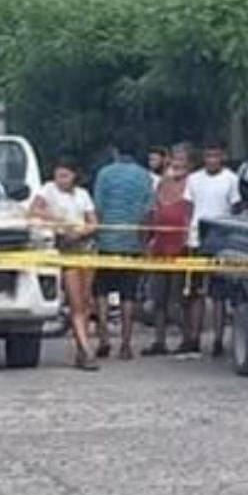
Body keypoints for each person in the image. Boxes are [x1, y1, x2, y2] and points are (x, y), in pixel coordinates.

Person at [29, 156, 98, 370]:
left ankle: (81, 347)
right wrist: (58, 221)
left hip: (85, 248)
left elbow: (93, 222)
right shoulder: (48, 190)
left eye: (65, 175)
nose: (61, 179)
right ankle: (86, 350)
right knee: (76, 302)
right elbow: (33, 211)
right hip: (64, 248)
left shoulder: (83, 195)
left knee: (86, 302)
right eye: (58, 175)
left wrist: (81, 231)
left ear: (74, 176)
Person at [93, 130, 155, 360]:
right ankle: (126, 344)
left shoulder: (104, 174)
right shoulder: (144, 177)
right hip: (132, 242)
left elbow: (97, 208)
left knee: (101, 291)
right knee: (128, 295)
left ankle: (104, 339)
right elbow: (148, 212)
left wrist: (97, 235)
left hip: (107, 240)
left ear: (115, 151)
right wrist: (144, 241)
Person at [187, 140, 242, 356]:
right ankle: (194, 337)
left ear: (223, 156)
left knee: (219, 294)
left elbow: (236, 208)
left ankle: (219, 340)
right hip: (196, 239)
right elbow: (189, 208)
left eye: (216, 156)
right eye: (208, 156)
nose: (212, 160)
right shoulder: (193, 179)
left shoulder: (231, 179)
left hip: (222, 240)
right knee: (195, 292)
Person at [143, 145, 197, 356]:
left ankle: (188, 339)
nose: (177, 163)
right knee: (158, 297)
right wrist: (148, 239)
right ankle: (159, 341)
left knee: (179, 299)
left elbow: (191, 215)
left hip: (182, 247)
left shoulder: (192, 184)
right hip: (160, 247)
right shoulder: (161, 184)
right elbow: (152, 212)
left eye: (182, 159)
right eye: (175, 158)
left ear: (190, 163)